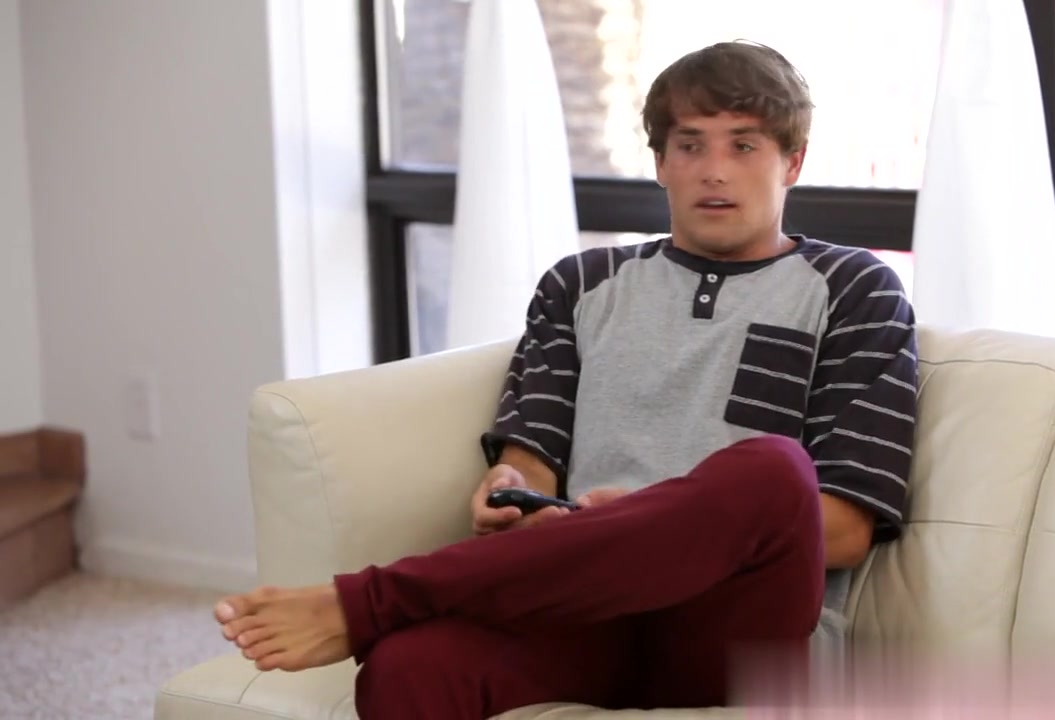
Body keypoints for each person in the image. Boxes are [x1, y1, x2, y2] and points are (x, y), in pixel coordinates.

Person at [213, 40, 918, 719]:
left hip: (734, 626)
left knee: (773, 471)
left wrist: (652, 521)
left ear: (792, 162)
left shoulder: (854, 288)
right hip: (587, 609)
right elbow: (529, 468)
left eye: (743, 145)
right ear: (661, 163)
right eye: (690, 145)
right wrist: (513, 497)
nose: (714, 170)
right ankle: (387, 614)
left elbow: (844, 528)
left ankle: (370, 601)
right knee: (407, 667)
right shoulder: (580, 284)